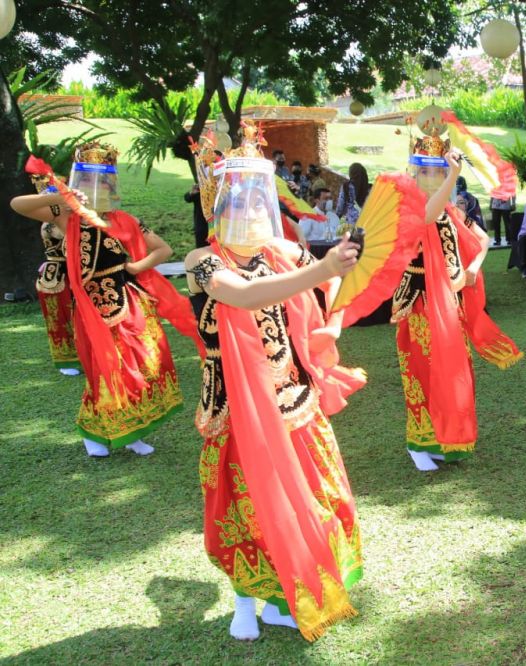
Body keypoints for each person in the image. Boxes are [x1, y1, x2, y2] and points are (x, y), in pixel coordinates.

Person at [183, 132, 365, 641]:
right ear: (215, 203)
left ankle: (291, 591)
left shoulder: (283, 251)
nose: (250, 209)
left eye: (255, 197)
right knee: (249, 511)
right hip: (239, 412)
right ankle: (247, 602)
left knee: (318, 500)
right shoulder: (204, 261)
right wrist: (322, 270)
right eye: (237, 198)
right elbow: (240, 296)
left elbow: (337, 286)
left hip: (293, 399)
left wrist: (340, 290)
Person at [14, 142, 203, 458]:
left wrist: (135, 266)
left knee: (145, 366)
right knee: (107, 371)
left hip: (130, 303)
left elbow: (163, 249)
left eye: (104, 180)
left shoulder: (126, 220)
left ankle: (132, 429)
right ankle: (94, 432)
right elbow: (18, 204)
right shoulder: (68, 217)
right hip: (92, 308)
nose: (97, 187)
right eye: (90, 180)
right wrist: (62, 196)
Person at [392, 132, 522, 472]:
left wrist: (472, 270)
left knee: (453, 373)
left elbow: (481, 238)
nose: (432, 178)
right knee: (422, 372)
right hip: (419, 302)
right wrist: (452, 176)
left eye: (438, 172)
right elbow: (427, 216)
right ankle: (417, 444)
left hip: (450, 302)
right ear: (413, 173)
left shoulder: (449, 208)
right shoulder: (408, 206)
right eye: (426, 172)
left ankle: (443, 440)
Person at [27, 174, 80, 375]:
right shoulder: (51, 222)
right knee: (61, 318)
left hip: (75, 272)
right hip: (58, 276)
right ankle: (67, 360)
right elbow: (68, 235)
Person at [184, 182, 210, 248]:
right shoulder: (201, 190)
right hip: (201, 225)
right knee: (201, 248)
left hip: (216, 225)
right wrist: (192, 192)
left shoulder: (219, 190)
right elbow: (188, 198)